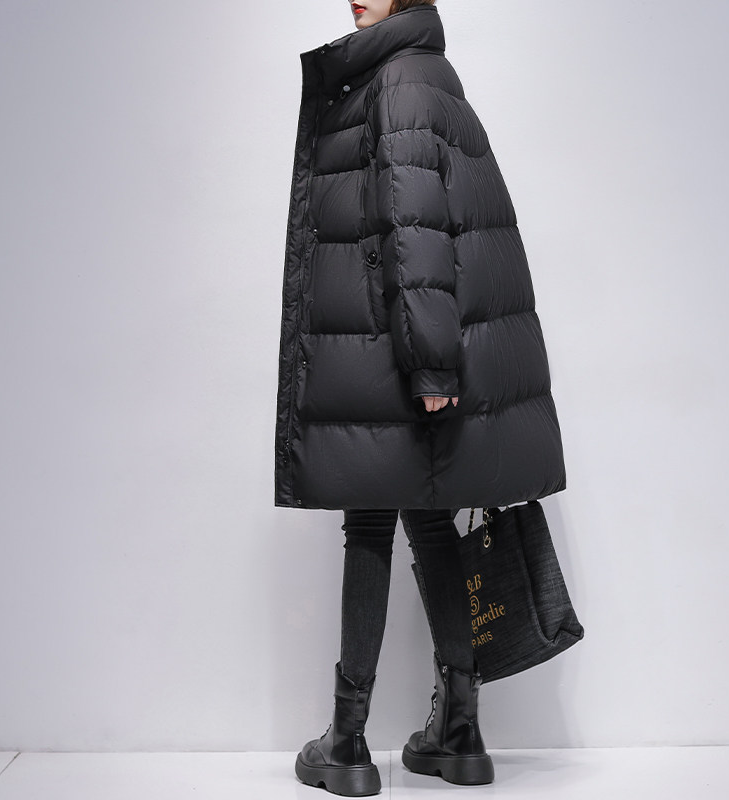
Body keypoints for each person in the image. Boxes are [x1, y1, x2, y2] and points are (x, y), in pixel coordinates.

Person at [274, 1, 567, 795]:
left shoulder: (397, 80)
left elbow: (418, 229)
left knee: (370, 523)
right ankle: (459, 734)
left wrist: (432, 366)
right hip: (399, 348)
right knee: (429, 521)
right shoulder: (422, 71)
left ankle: (347, 742)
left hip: (392, 353)